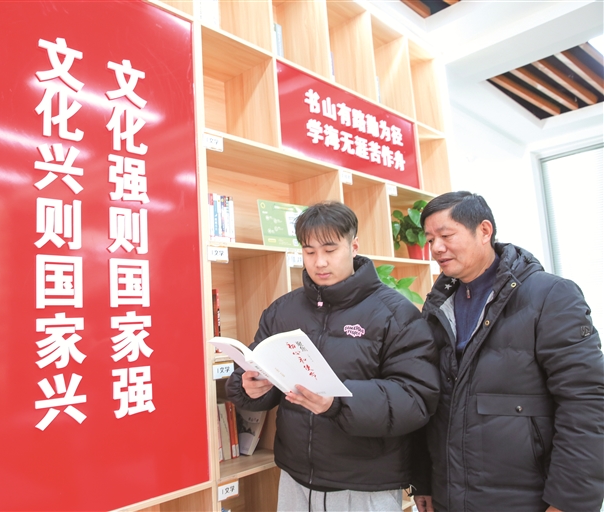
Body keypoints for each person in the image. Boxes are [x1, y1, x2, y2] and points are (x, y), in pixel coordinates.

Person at [226, 201, 439, 511]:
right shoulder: (282, 310)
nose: (319, 262)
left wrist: (338, 402)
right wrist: (249, 387)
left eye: (330, 250)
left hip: (365, 483)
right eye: (309, 251)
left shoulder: (395, 313)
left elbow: (416, 398)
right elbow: (259, 371)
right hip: (295, 477)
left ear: (354, 246)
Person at [411, 191, 604, 512]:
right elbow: (432, 402)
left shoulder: (551, 295)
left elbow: (586, 404)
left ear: (484, 231)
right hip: (450, 496)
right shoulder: (437, 306)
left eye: (446, 236)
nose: (436, 248)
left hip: (528, 499)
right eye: (430, 240)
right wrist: (425, 480)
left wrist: (569, 502)